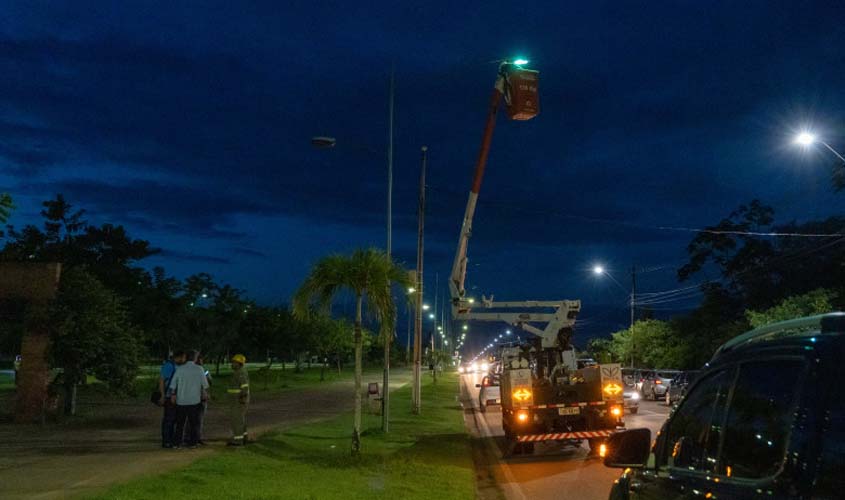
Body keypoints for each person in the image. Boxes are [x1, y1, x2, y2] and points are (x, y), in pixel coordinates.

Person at [169, 349, 209, 449]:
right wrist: (204, 393)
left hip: (181, 400)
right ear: (195, 358)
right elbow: (205, 385)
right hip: (194, 401)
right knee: (194, 423)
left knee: (180, 423)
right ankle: (193, 443)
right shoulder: (199, 369)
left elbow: (173, 384)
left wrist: (173, 395)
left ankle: (177, 443)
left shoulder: (180, 369)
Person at [159, 350, 186, 448]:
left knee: (174, 419)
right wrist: (162, 395)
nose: (184, 360)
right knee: (169, 419)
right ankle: (166, 441)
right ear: (179, 357)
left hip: (177, 396)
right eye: (183, 358)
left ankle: (171, 440)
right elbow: (162, 380)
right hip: (169, 396)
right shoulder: (169, 366)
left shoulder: (177, 366)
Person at [226, 354, 250, 446]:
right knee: (240, 419)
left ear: (239, 363)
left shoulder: (241, 373)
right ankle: (244, 437)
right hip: (236, 400)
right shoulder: (239, 372)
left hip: (238, 401)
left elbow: (244, 387)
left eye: (234, 362)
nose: (232, 364)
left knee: (237, 420)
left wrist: (243, 398)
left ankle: (238, 440)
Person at [194, 352, 212, 445]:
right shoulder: (199, 370)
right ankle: (195, 438)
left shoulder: (202, 370)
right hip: (199, 397)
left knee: (197, 419)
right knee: (197, 419)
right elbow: (206, 383)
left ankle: (195, 437)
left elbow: (208, 382)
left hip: (199, 397)